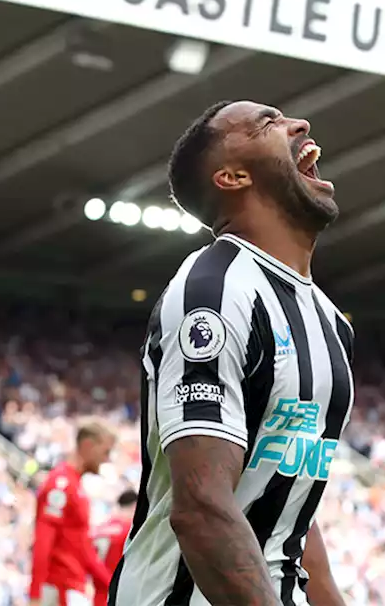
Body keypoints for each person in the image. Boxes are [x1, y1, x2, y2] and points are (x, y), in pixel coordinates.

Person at [109, 101, 353, 606]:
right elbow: (200, 507)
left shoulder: (329, 320)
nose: (299, 123)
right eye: (268, 123)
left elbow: (289, 505)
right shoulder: (214, 291)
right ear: (232, 176)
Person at [30, 422, 117, 606]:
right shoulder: (60, 484)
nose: (106, 459)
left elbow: (83, 547)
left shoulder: (75, 485)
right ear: (88, 446)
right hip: (57, 589)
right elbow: (43, 540)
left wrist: (112, 585)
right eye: (105, 452)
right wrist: (35, 593)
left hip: (72, 588)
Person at [92, 490, 137, 606]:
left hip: (97, 591)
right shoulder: (129, 531)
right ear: (134, 506)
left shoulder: (101, 528)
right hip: (117, 593)